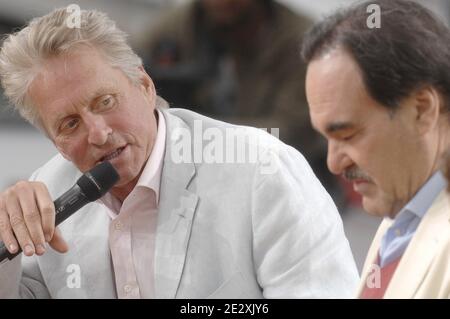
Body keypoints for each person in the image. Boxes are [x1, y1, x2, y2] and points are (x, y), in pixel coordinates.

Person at [0, 8, 358, 298]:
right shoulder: (47, 194)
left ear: (144, 85)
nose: (98, 133)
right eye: (69, 124)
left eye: (105, 101)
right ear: (54, 142)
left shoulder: (262, 171)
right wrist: (5, 241)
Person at [301, 0, 450, 298]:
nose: (334, 163)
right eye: (327, 138)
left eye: (348, 134)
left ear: (422, 109)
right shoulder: (401, 216)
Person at [140, 0, 342, 205]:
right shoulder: (185, 24)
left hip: (282, 178)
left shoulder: (300, 42)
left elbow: (289, 133)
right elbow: (126, 72)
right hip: (194, 173)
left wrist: (188, 133)